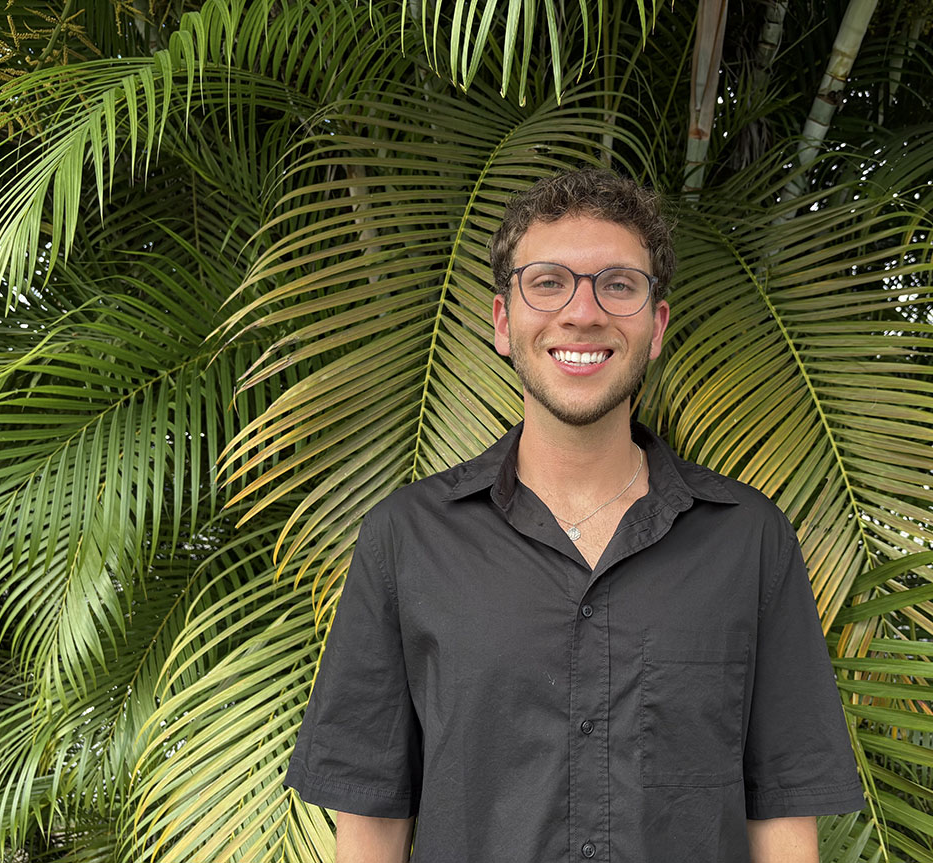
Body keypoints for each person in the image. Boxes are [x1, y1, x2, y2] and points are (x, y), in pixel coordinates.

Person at [284, 169, 865, 862]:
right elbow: (372, 818)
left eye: (618, 285)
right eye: (548, 282)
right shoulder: (406, 540)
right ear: (504, 322)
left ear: (656, 326)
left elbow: (784, 813)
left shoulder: (749, 540)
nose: (583, 312)